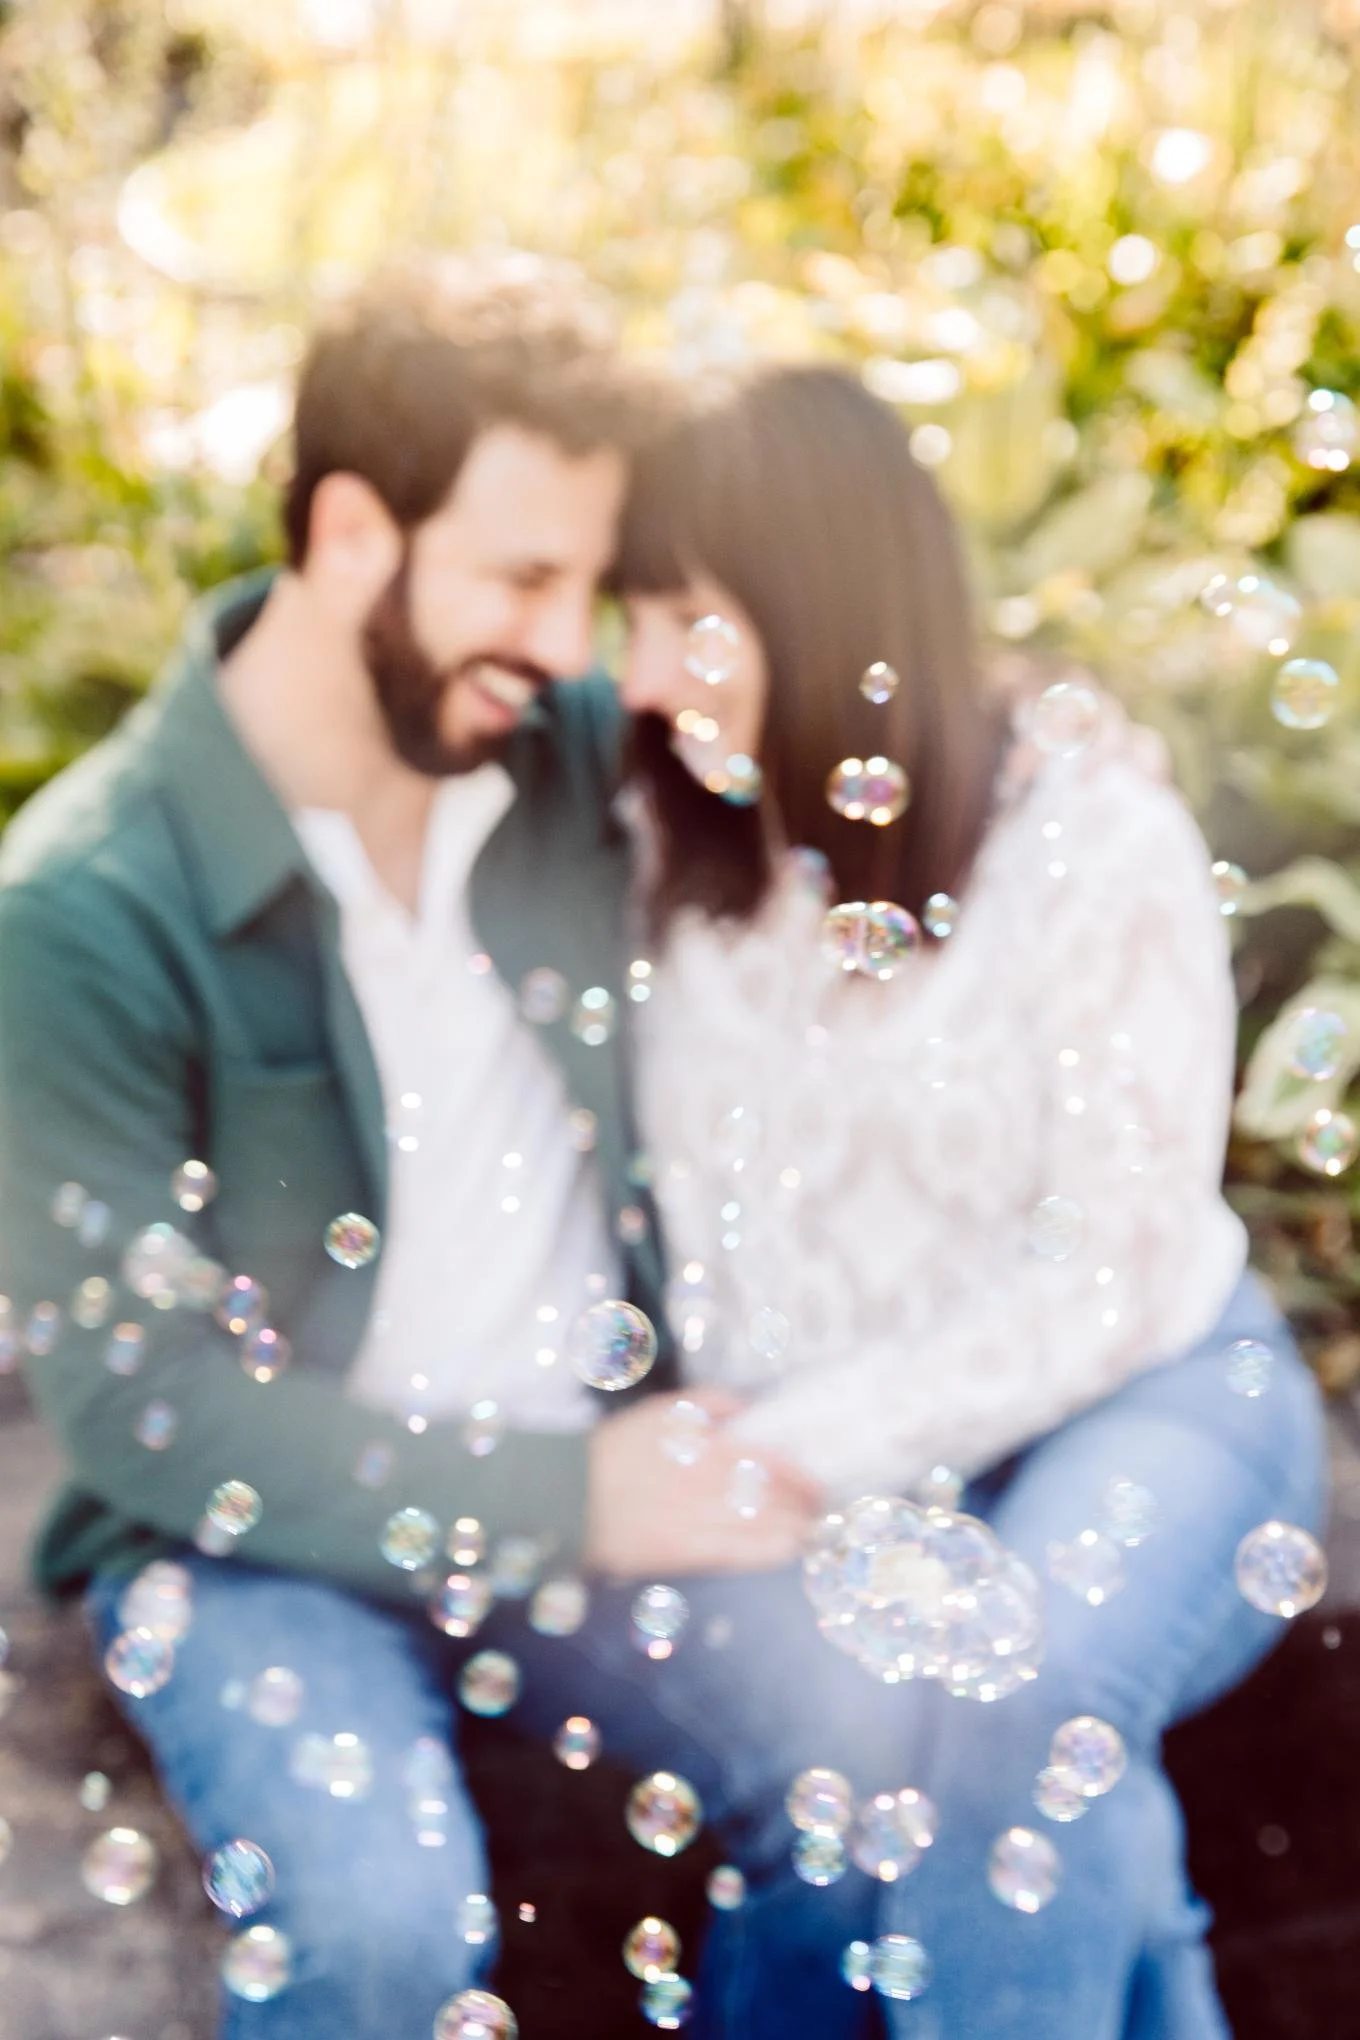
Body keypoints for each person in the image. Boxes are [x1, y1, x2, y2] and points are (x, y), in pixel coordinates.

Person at [0, 264, 847, 2040]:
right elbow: (146, 1407)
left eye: (584, 589)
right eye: (524, 580)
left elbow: (877, 787)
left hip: (594, 1472)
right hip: (249, 1549)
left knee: (886, 1757)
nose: (565, 647)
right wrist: (573, 1498)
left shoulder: (566, 764)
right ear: (352, 531)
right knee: (382, 1931)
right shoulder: (83, 912)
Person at [608, 361, 1328, 2038]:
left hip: (1146, 1390)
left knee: (1025, 1690)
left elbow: (1120, 1266)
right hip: (833, 1452)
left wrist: (796, 1451)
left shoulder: (1090, 833)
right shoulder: (670, 854)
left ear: (827, 606)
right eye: (630, 618)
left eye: (691, 619)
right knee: (899, 1785)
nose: (642, 675)